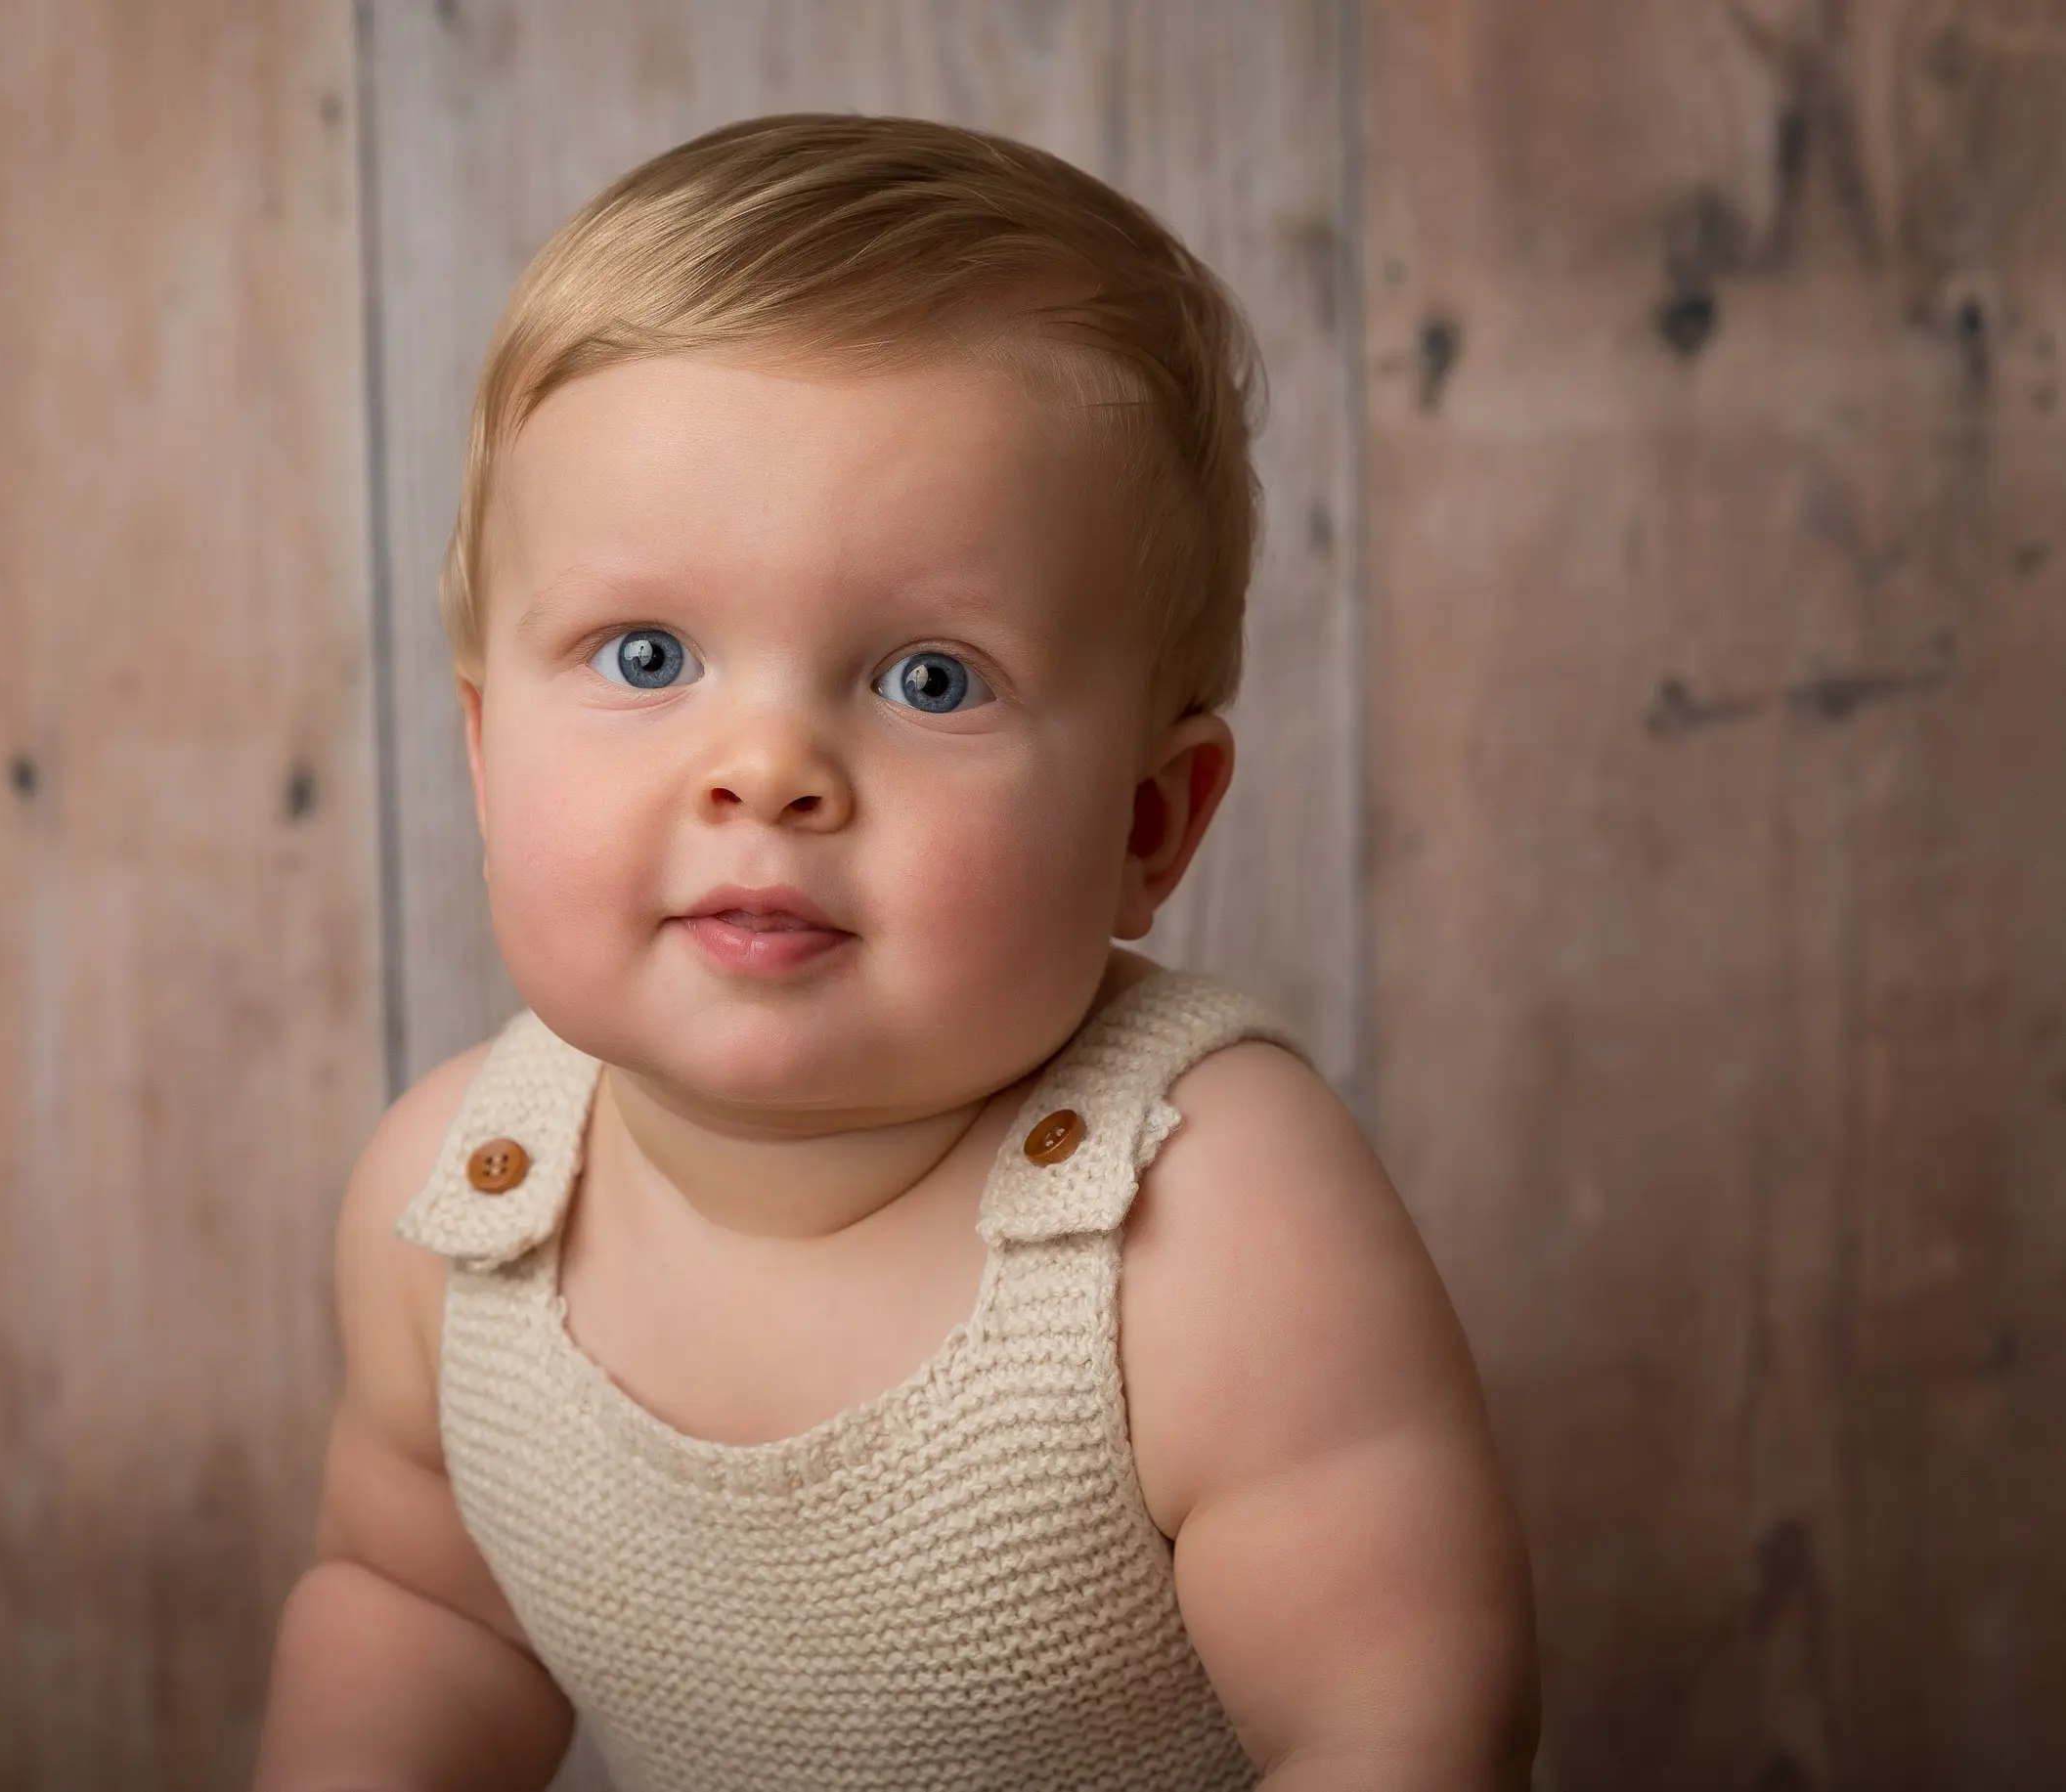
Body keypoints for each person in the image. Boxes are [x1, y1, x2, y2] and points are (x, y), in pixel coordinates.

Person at [252, 113, 1537, 1792]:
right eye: (648, 654)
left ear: (1152, 824)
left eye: (931, 679)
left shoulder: (1197, 1216)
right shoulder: (459, 1205)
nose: (765, 766)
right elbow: (420, 1610)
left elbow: (1402, 1714)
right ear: (487, 756)